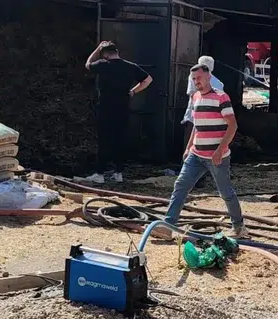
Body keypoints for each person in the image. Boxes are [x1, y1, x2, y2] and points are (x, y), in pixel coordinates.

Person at [164, 62, 246, 238]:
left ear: (209, 77)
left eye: (199, 78)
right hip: (196, 154)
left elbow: (232, 125)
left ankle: (239, 227)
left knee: (225, 192)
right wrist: (188, 147)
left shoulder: (221, 97)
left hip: (217, 156)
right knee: (180, 186)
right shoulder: (195, 97)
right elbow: (197, 125)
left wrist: (220, 150)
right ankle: (168, 225)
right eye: (194, 79)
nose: (197, 82)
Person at [84, 40, 152, 184]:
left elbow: (88, 64)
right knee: (120, 140)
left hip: (105, 108)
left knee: (104, 140)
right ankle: (118, 173)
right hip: (123, 109)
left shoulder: (103, 64)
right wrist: (133, 91)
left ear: (105, 55)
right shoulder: (131, 66)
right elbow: (148, 80)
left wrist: (97, 48)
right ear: (117, 52)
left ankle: (100, 173)